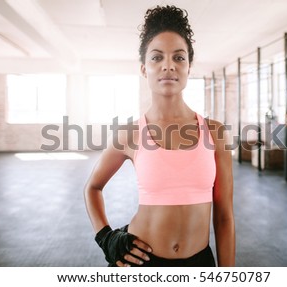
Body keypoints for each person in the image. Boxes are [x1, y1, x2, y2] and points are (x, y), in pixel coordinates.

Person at [84, 5, 235, 267]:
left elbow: (224, 217)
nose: (168, 66)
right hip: (139, 263)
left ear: (189, 66)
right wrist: (105, 237)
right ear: (144, 69)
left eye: (179, 57)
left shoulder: (215, 132)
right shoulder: (130, 133)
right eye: (156, 58)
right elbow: (93, 187)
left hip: (199, 262)